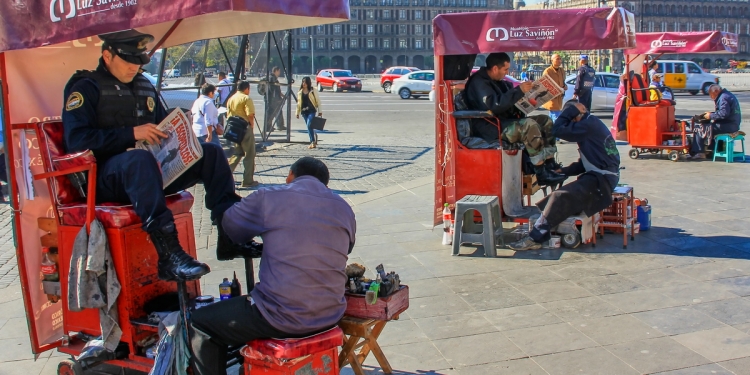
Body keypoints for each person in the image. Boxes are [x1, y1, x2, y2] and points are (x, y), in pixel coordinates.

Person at [62, 30, 256, 281]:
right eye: (128, 61)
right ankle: (169, 254)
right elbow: (76, 141)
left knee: (211, 153)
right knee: (139, 161)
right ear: (107, 56)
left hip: (149, 171)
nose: (135, 67)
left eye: (138, 62)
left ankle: (229, 235)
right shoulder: (86, 88)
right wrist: (130, 134)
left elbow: (160, 126)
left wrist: (177, 125)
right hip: (106, 177)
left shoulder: (144, 85)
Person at [190, 157, 356, 375]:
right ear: (326, 186)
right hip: (331, 314)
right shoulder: (344, 208)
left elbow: (231, 226)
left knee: (201, 324)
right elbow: (346, 247)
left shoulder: (270, 197)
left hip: (281, 317)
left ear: (290, 176)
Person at [509, 100, 620, 250]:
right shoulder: (591, 123)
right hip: (601, 175)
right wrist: (566, 170)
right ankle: (545, 223)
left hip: (602, 180)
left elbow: (557, 130)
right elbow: (589, 161)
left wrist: (570, 112)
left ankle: (534, 238)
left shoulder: (587, 124)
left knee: (559, 196)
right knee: (557, 198)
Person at [464, 52, 565, 186]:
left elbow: (508, 100)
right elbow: (494, 106)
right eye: (505, 70)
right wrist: (518, 91)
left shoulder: (498, 81)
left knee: (545, 121)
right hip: (490, 126)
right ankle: (540, 173)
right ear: (495, 68)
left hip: (504, 121)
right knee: (529, 125)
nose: (506, 73)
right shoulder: (479, 83)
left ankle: (550, 163)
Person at [689, 84, 742, 160]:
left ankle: (699, 152)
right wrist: (711, 114)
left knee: (699, 128)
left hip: (729, 125)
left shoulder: (723, 97)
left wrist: (710, 116)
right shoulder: (727, 95)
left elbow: (724, 113)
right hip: (732, 124)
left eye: (711, 95)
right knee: (710, 127)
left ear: (716, 91)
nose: (711, 97)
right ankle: (712, 150)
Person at [227, 81, 259, 188]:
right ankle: (247, 181)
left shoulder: (231, 98)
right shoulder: (246, 98)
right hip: (245, 128)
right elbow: (250, 114)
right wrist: (252, 125)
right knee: (249, 154)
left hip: (235, 130)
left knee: (237, 153)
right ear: (246, 89)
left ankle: (224, 175)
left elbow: (229, 114)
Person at [295, 77, 323, 149]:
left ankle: (312, 141)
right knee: (309, 126)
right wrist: (297, 112)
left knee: (309, 124)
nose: (303, 84)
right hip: (304, 112)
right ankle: (313, 141)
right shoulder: (300, 92)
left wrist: (320, 111)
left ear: (308, 83)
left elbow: (318, 101)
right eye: (303, 82)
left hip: (311, 111)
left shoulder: (313, 90)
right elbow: (298, 103)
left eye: (305, 82)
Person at [542, 54, 568, 123]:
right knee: (556, 117)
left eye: (560, 59)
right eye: (557, 59)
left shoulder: (562, 70)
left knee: (553, 117)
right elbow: (544, 85)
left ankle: (551, 131)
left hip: (560, 97)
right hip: (552, 98)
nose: (559, 60)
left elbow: (563, 81)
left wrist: (564, 86)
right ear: (552, 60)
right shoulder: (548, 71)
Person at [266, 66, 286, 132]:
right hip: (273, 100)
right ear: (276, 71)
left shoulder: (273, 78)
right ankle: (268, 127)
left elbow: (278, 90)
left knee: (278, 112)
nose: (279, 72)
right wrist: (277, 98)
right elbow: (273, 90)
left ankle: (280, 125)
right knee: (271, 113)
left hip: (274, 99)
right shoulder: (272, 78)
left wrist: (283, 95)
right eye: (279, 71)